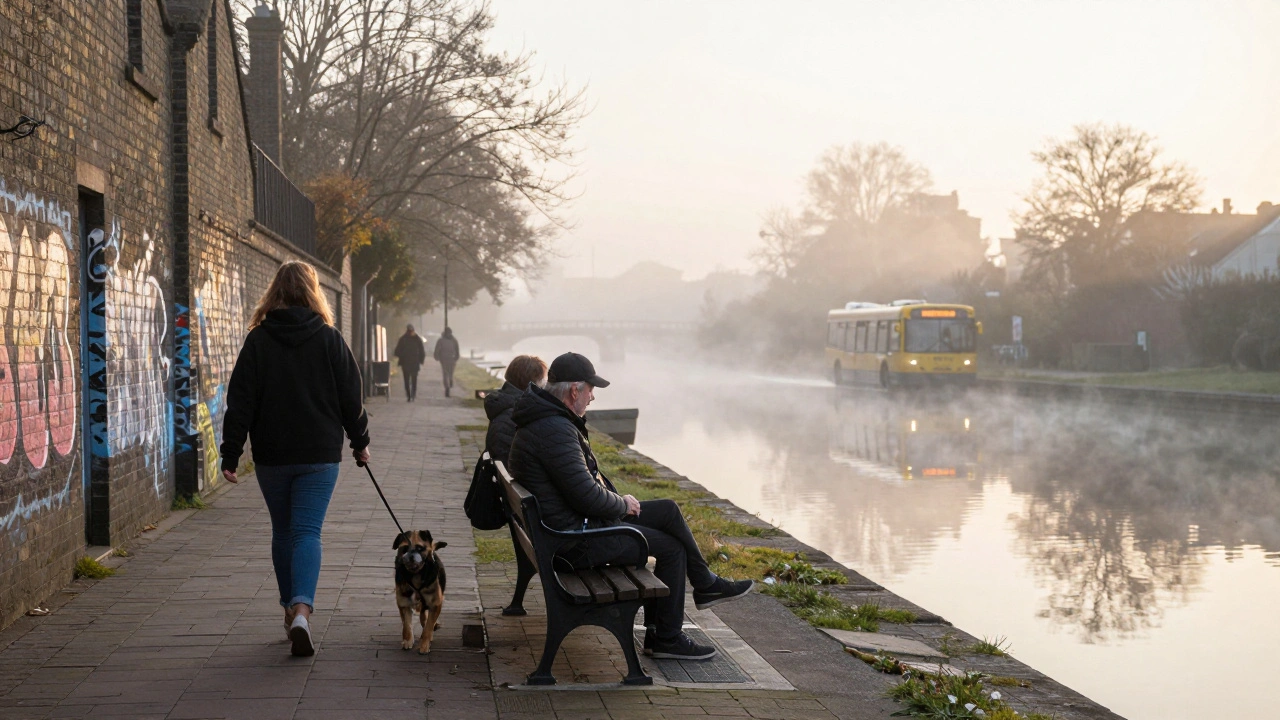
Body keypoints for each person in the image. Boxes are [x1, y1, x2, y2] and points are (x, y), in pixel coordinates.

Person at [507, 352, 753, 660]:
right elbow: (586, 496)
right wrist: (621, 505)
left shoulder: (546, 421)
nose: (593, 397)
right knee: (672, 548)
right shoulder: (554, 428)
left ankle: (703, 586)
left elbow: (580, 488)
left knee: (667, 510)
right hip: (574, 543)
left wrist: (615, 502)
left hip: (565, 531)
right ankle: (666, 636)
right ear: (574, 391)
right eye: (590, 390)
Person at [219, 261, 371, 657]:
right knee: (307, 532)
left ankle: (290, 609)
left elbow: (241, 402)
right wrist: (360, 442)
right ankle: (302, 610)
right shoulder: (329, 338)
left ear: (275, 293)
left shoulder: (257, 341)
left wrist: (231, 453)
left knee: (283, 531)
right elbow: (350, 397)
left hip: (272, 454)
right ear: (312, 291)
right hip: (320, 453)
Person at [484, 355, 548, 466]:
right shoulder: (515, 416)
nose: (543, 386)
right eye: (542, 380)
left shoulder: (506, 405)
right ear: (532, 383)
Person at [393, 324, 426, 401]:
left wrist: (401, 356)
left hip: (406, 362)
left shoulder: (403, 339)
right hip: (414, 362)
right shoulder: (417, 339)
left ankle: (409, 395)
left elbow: (397, 351)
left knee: (407, 380)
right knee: (413, 379)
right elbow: (422, 351)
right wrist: (421, 360)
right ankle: (412, 394)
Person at [433, 326, 460, 397]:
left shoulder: (441, 340)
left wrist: (436, 356)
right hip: (451, 359)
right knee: (450, 373)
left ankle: (447, 386)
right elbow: (457, 350)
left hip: (444, 359)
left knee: (445, 374)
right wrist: (456, 357)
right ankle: (450, 381)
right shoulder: (454, 340)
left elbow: (437, 349)